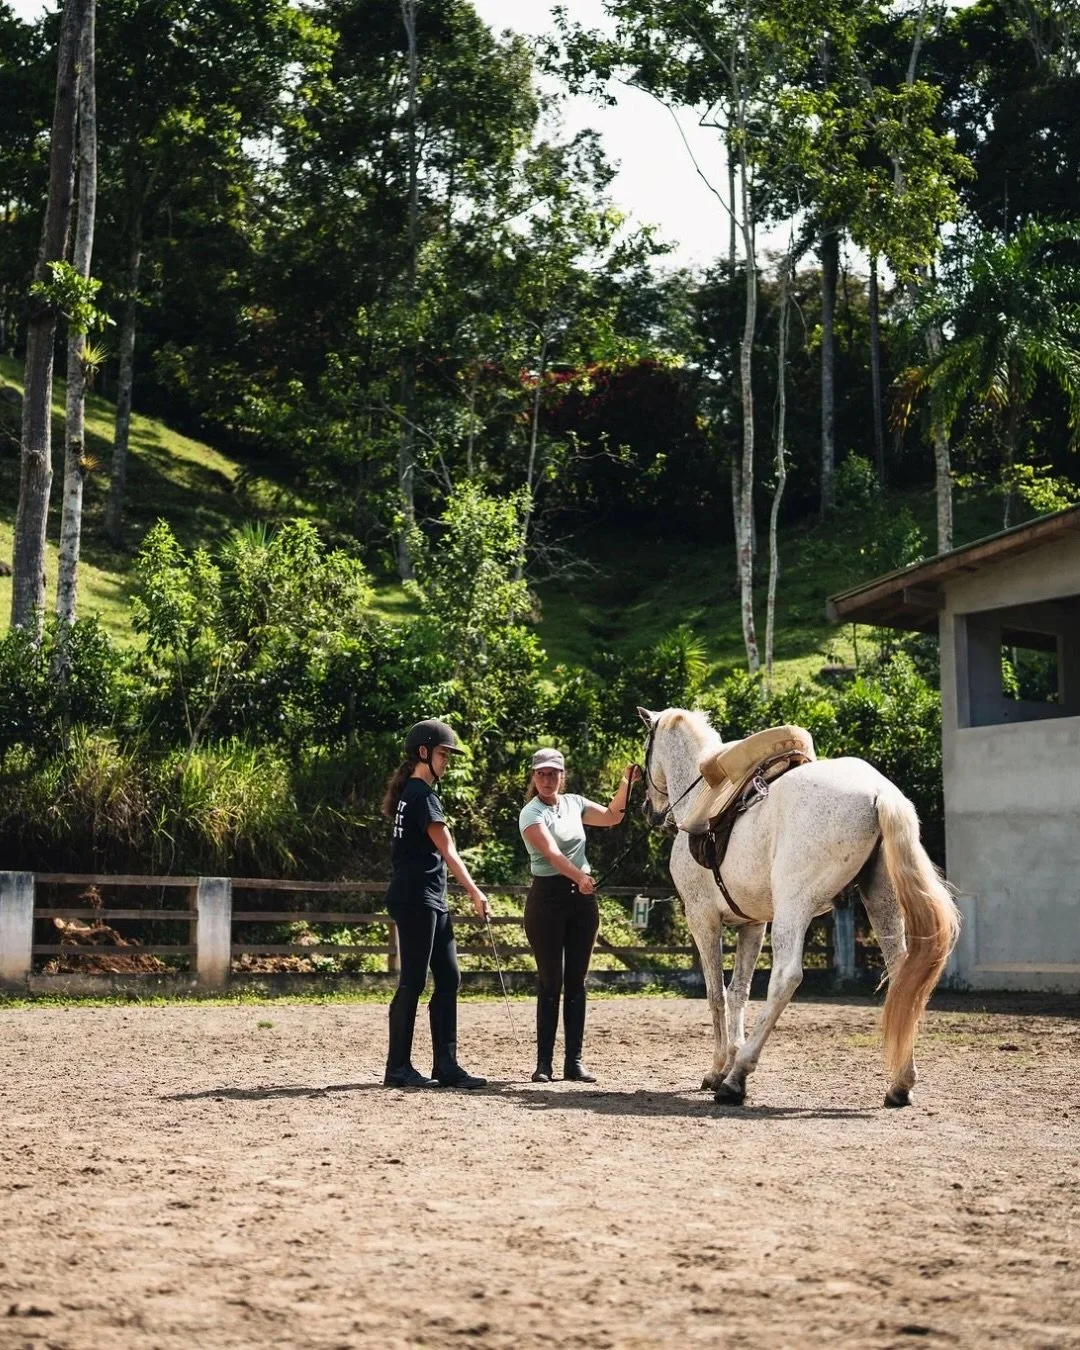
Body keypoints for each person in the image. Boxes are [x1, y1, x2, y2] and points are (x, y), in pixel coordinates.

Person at [518, 748, 641, 1083]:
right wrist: (580, 878)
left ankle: (573, 1062)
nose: (546, 779)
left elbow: (613, 816)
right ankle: (543, 1064)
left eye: (552, 773)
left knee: (576, 981)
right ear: (533, 777)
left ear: (562, 775)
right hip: (547, 901)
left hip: (581, 902)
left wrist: (626, 784)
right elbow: (552, 854)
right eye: (541, 774)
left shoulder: (574, 803)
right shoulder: (531, 814)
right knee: (550, 982)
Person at [380, 718, 490, 1089]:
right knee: (413, 979)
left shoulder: (414, 794)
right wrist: (475, 891)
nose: (447, 761)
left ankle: (446, 1064)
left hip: (430, 898)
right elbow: (450, 852)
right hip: (417, 898)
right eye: (443, 754)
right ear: (423, 753)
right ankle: (397, 1067)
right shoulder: (422, 797)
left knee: (448, 977)